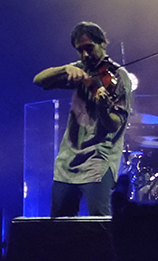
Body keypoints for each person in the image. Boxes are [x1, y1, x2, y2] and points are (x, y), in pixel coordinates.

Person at [33, 21, 132, 217]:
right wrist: (65, 68)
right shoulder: (79, 69)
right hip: (67, 160)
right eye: (80, 50)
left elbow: (114, 125)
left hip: (98, 159)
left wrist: (102, 107)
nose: (85, 55)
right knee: (59, 223)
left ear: (102, 43)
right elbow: (39, 80)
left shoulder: (119, 76)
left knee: (99, 221)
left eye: (89, 48)